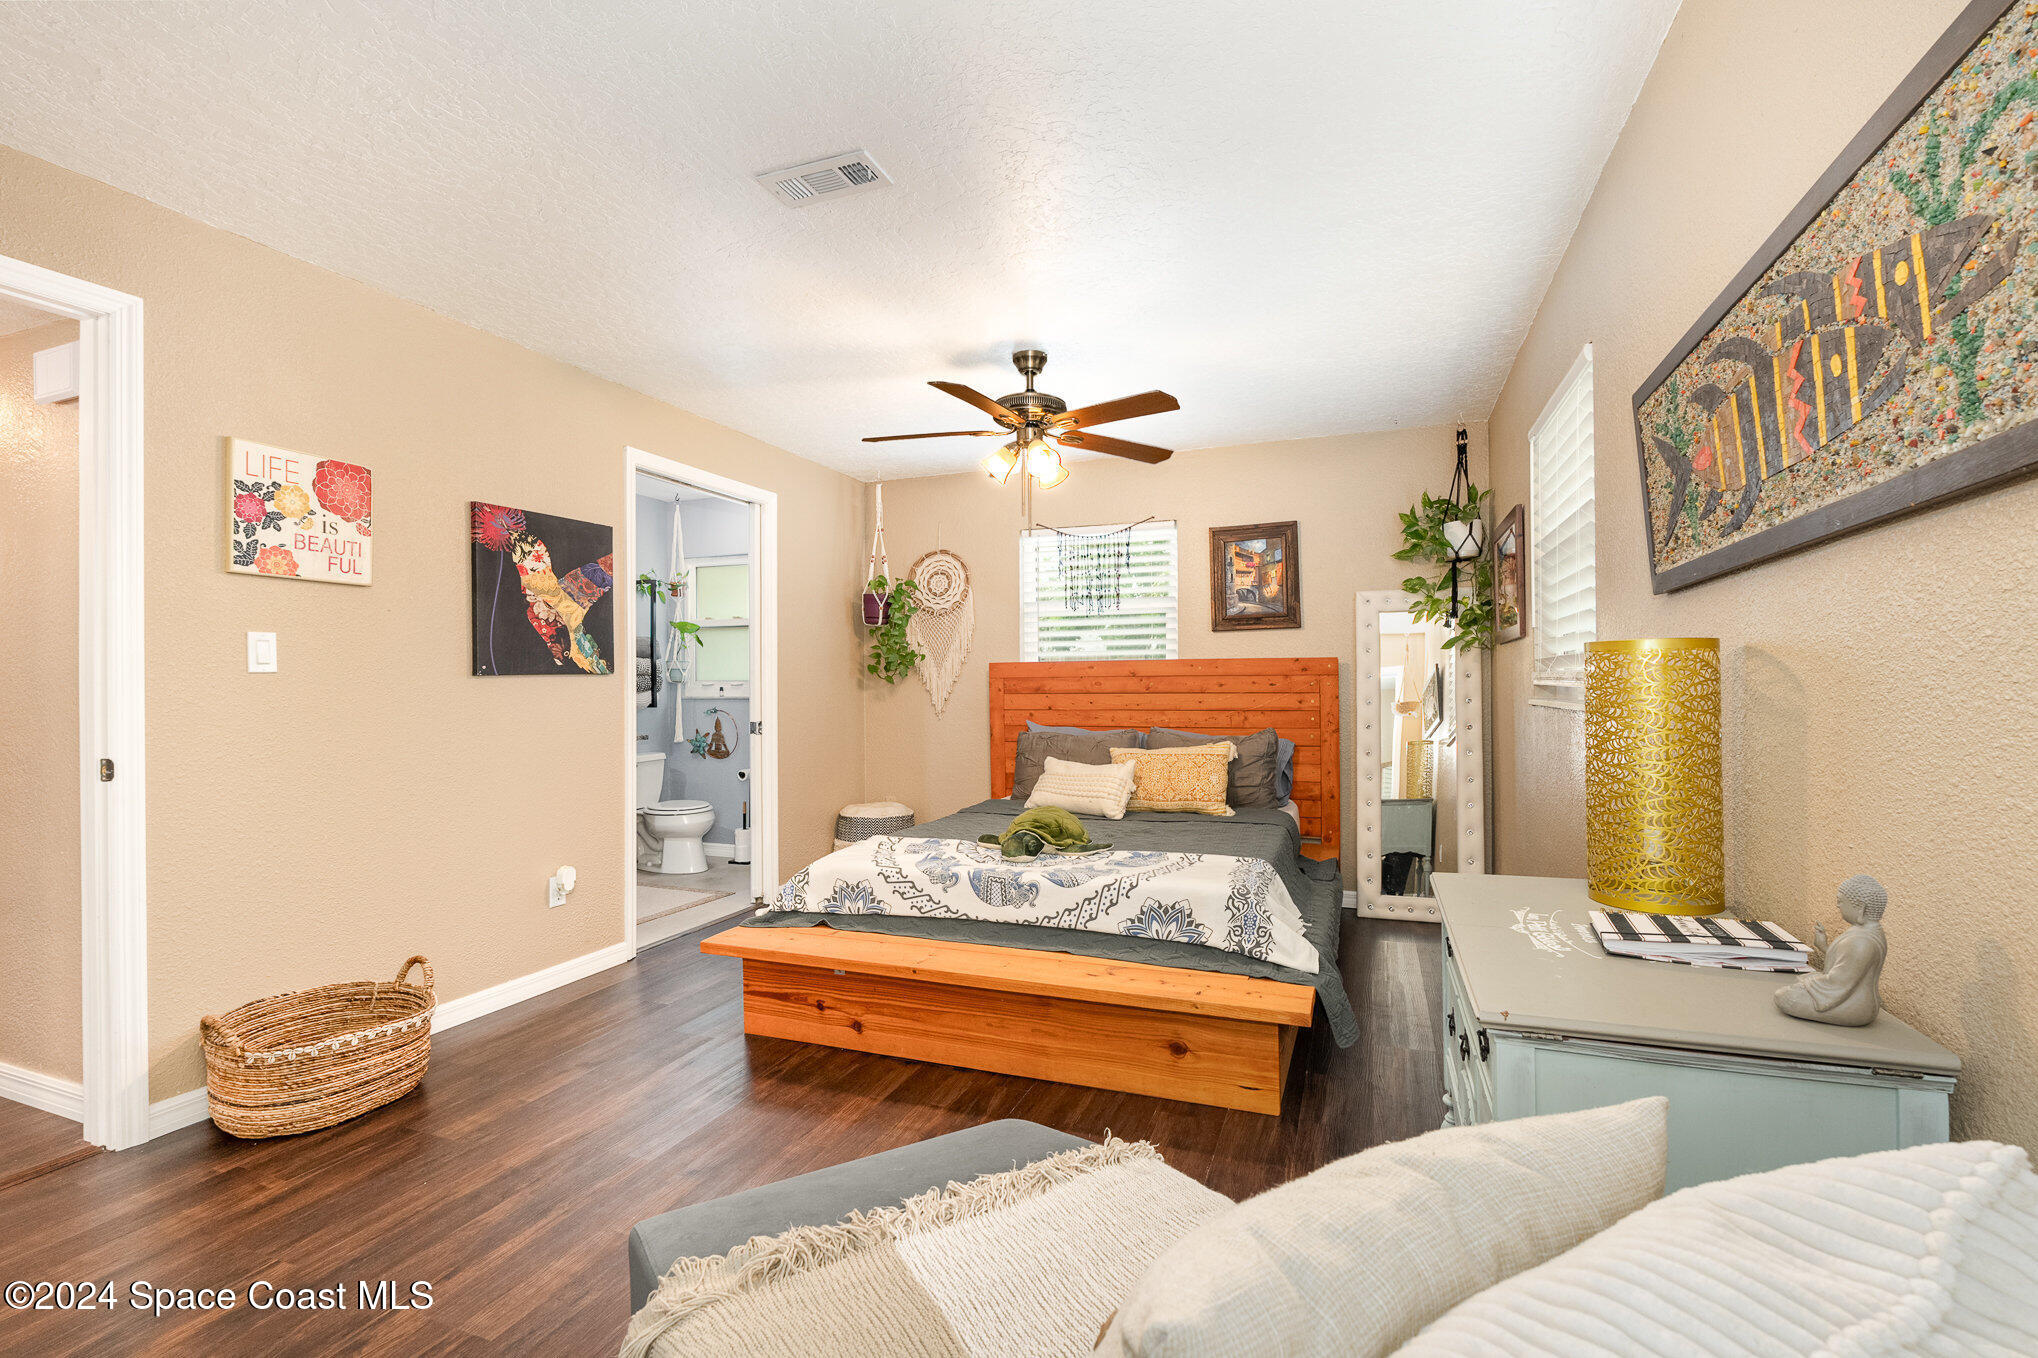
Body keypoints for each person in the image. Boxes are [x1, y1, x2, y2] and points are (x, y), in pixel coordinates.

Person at [1774, 875, 1887, 1027]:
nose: (1838, 906)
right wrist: (1824, 946)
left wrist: (1807, 985)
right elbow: (1848, 966)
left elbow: (1839, 983)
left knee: (1785, 997)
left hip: (1854, 1006)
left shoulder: (1861, 942)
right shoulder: (1866, 932)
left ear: (1860, 907)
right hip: (1850, 996)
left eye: (1841, 901)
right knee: (1796, 986)